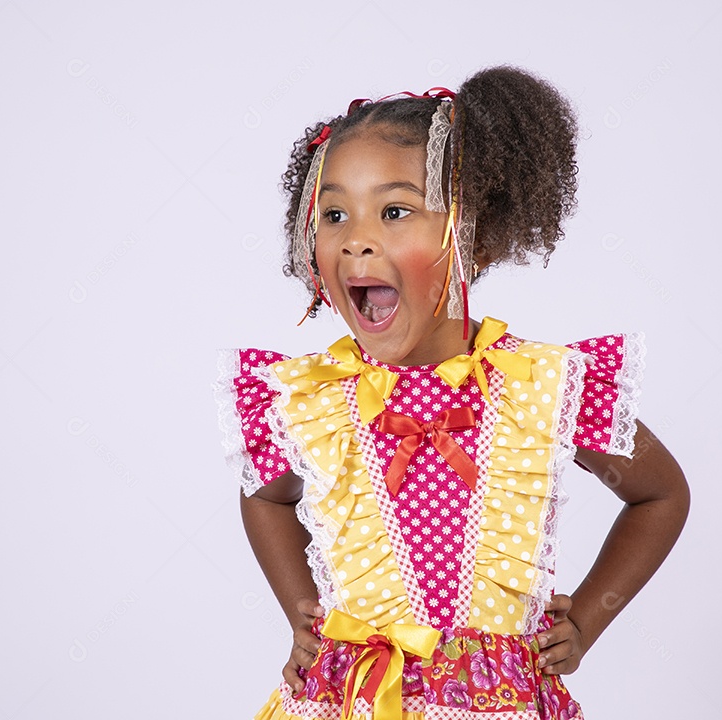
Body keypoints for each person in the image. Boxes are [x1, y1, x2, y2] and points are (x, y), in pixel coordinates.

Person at [216, 65, 690, 720]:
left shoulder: (539, 386)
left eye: (394, 210)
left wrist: (585, 619)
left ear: (474, 235)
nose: (356, 237)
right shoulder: (312, 397)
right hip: (347, 699)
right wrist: (303, 615)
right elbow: (264, 497)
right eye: (333, 213)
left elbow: (659, 494)